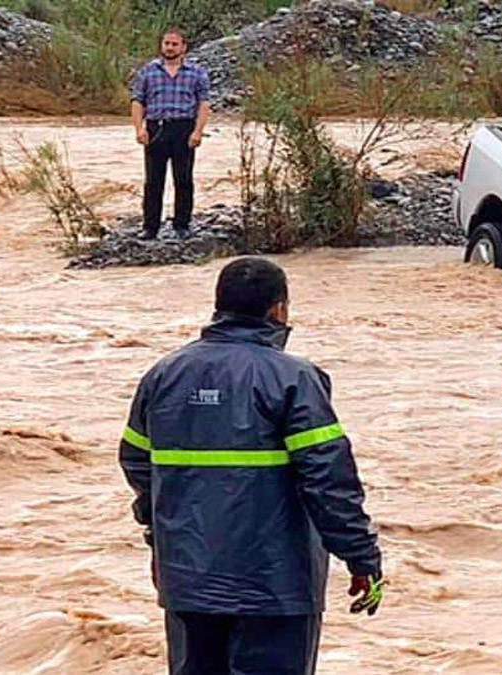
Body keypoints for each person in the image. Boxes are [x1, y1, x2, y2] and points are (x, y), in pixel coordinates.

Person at [118, 257, 385, 675]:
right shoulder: (294, 378)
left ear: (218, 306)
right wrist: (362, 558)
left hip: (188, 579)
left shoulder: (164, 375)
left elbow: (137, 464)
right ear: (279, 309)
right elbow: (328, 481)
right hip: (275, 585)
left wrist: (160, 538)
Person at [130, 28, 211, 239]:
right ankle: (150, 227)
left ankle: (182, 225)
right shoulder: (148, 71)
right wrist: (139, 128)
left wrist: (198, 131)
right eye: (167, 43)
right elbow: (138, 101)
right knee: (153, 181)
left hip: (184, 129)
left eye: (175, 44)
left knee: (183, 179)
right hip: (156, 128)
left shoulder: (196, 72)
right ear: (161, 45)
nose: (170, 47)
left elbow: (204, 103)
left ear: (184, 47)